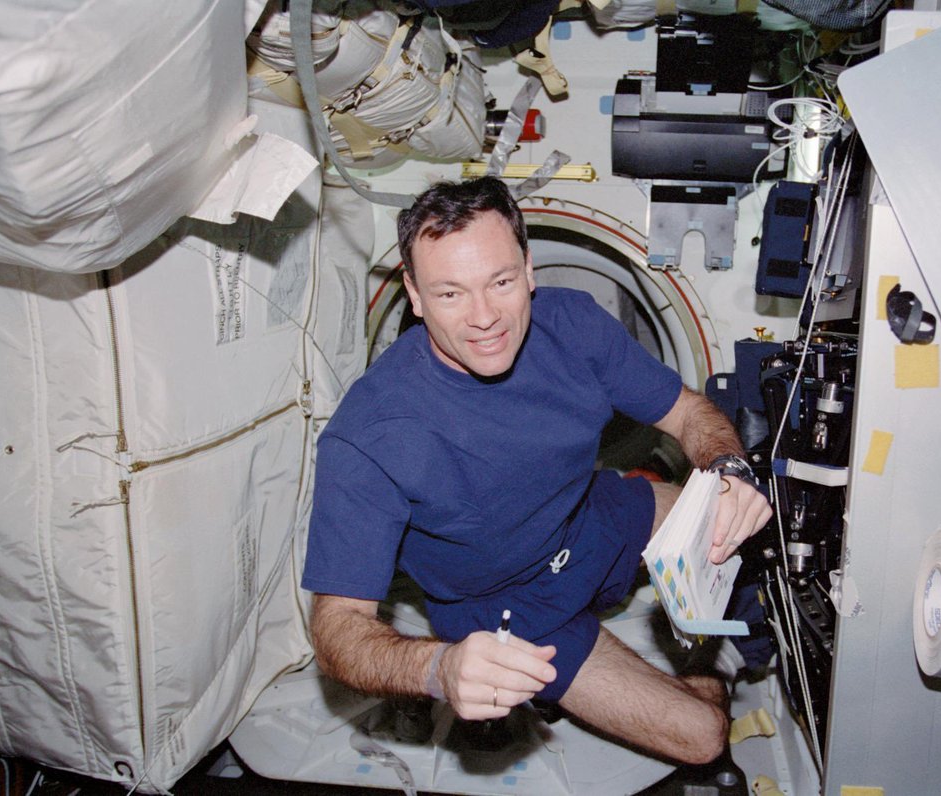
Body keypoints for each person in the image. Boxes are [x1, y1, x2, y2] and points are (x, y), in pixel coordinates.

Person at [302, 177, 773, 765]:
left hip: (588, 517)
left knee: (728, 522)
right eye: (450, 293)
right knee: (703, 738)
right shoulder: (369, 435)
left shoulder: (573, 324)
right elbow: (337, 629)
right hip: (503, 605)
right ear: (415, 296)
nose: (483, 318)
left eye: (500, 282)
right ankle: (708, 659)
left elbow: (686, 412)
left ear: (528, 270)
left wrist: (729, 469)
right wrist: (438, 667)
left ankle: (704, 621)